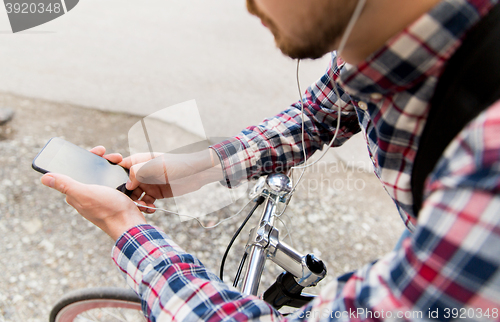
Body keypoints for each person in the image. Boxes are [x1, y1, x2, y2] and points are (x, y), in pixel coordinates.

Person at [41, 0, 500, 320]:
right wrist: (200, 167)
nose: (248, 6)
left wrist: (127, 228)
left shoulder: (489, 167)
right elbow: (317, 115)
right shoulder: (386, 39)